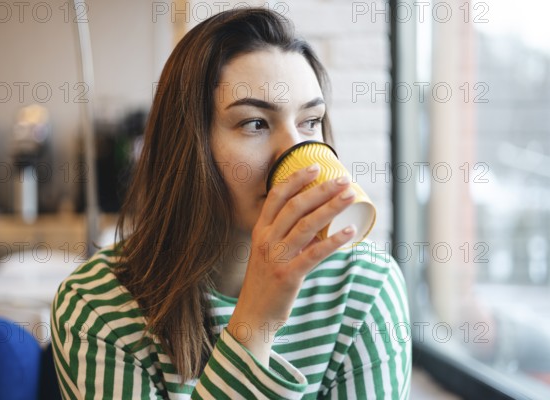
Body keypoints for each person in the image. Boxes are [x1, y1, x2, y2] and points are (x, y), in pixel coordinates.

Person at [51, 7, 411, 399]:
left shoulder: (364, 285)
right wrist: (256, 323)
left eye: (310, 122)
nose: (294, 153)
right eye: (255, 123)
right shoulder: (97, 307)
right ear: (188, 147)